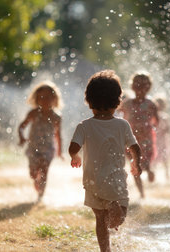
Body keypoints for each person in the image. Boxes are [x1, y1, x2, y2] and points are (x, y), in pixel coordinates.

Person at [69, 70, 141, 252]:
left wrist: (75, 156)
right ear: (118, 102)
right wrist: (135, 163)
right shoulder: (122, 125)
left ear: (89, 101)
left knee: (100, 219)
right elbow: (135, 147)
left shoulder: (84, 126)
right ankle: (113, 205)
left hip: (93, 181)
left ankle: (105, 250)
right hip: (115, 180)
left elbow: (73, 147)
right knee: (119, 217)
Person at [18, 81, 63, 202]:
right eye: (41, 97)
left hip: (48, 149)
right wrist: (21, 137)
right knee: (33, 173)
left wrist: (60, 151)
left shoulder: (56, 117)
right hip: (33, 148)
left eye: (48, 97)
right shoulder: (33, 113)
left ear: (54, 99)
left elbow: (58, 135)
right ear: (36, 99)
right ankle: (36, 179)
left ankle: (41, 195)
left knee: (44, 170)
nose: (45, 100)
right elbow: (21, 126)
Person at [119, 72, 159, 198]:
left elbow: (157, 121)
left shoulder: (151, 104)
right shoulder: (126, 103)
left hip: (146, 138)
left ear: (148, 88)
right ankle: (142, 194)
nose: (140, 89)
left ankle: (148, 170)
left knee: (143, 162)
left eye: (143, 86)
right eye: (138, 86)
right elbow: (120, 118)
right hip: (130, 139)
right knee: (134, 165)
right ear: (132, 87)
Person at [153, 97, 170, 181]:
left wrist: (164, 130)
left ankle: (167, 176)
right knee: (154, 157)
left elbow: (168, 129)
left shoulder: (165, 116)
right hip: (155, 139)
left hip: (163, 140)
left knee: (165, 158)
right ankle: (153, 176)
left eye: (161, 105)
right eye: (157, 104)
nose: (159, 106)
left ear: (163, 106)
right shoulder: (152, 115)